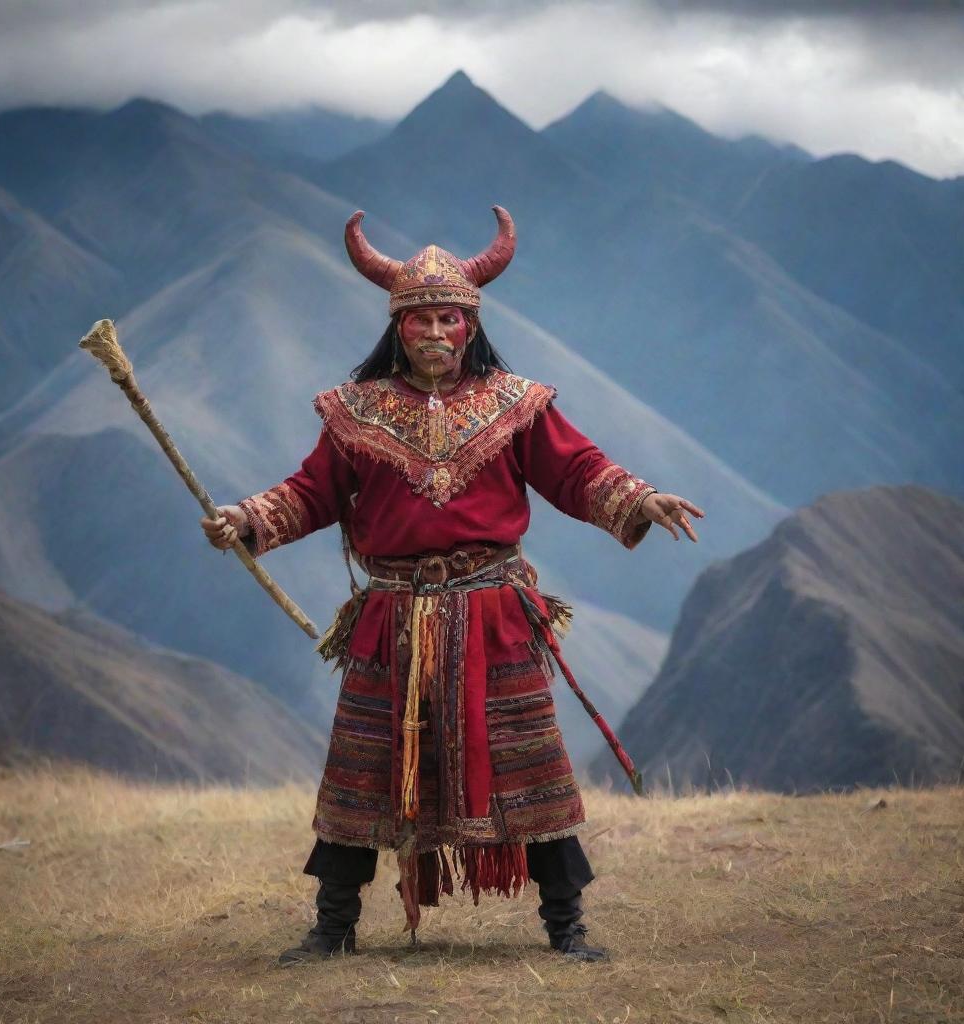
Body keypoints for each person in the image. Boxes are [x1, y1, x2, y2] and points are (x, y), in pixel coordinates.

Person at [201, 207, 704, 965]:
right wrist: (247, 518)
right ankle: (333, 926)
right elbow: (311, 491)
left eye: (448, 318)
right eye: (420, 320)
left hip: (495, 612)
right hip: (390, 619)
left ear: (470, 326)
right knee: (363, 774)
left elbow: (575, 469)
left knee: (529, 767)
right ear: (396, 328)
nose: (434, 333)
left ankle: (566, 927)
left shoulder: (517, 405)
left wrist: (639, 497)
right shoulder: (356, 412)